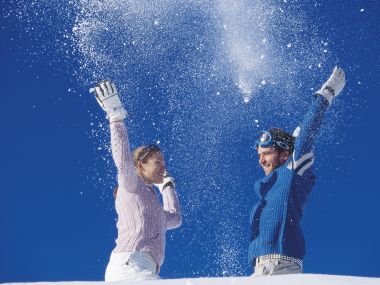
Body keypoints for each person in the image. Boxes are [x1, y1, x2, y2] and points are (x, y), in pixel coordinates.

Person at [248, 67, 346, 276]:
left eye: (266, 153)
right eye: (258, 155)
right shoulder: (266, 188)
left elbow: (308, 134)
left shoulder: (292, 174)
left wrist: (325, 94)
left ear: (284, 155)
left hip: (283, 266)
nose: (261, 160)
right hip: (258, 269)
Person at [90, 80, 182, 281]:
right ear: (141, 166)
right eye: (158, 162)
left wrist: (167, 187)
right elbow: (123, 161)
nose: (164, 167)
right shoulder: (132, 185)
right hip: (129, 263)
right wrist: (116, 118)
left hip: (144, 267)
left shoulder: (153, 206)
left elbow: (175, 219)